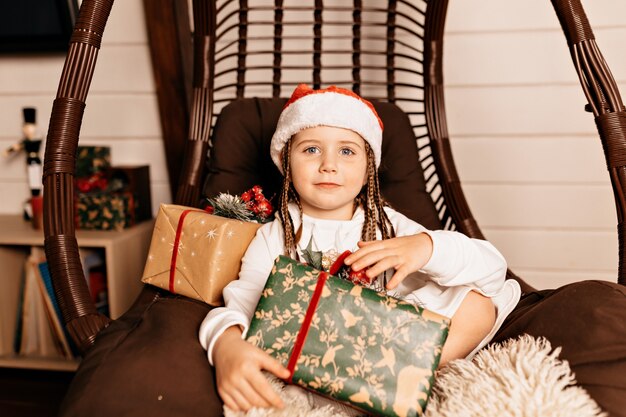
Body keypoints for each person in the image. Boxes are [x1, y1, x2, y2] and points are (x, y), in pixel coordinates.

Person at [199, 84, 522, 413]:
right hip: (320, 351)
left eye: (347, 151)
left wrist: (425, 248)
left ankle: (393, 382)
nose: (328, 164)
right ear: (286, 161)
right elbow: (241, 301)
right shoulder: (273, 235)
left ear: (369, 167)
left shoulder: (389, 225)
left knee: (479, 303)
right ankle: (350, 390)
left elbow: (493, 270)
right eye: (311, 149)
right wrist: (226, 346)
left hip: (395, 345)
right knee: (260, 329)